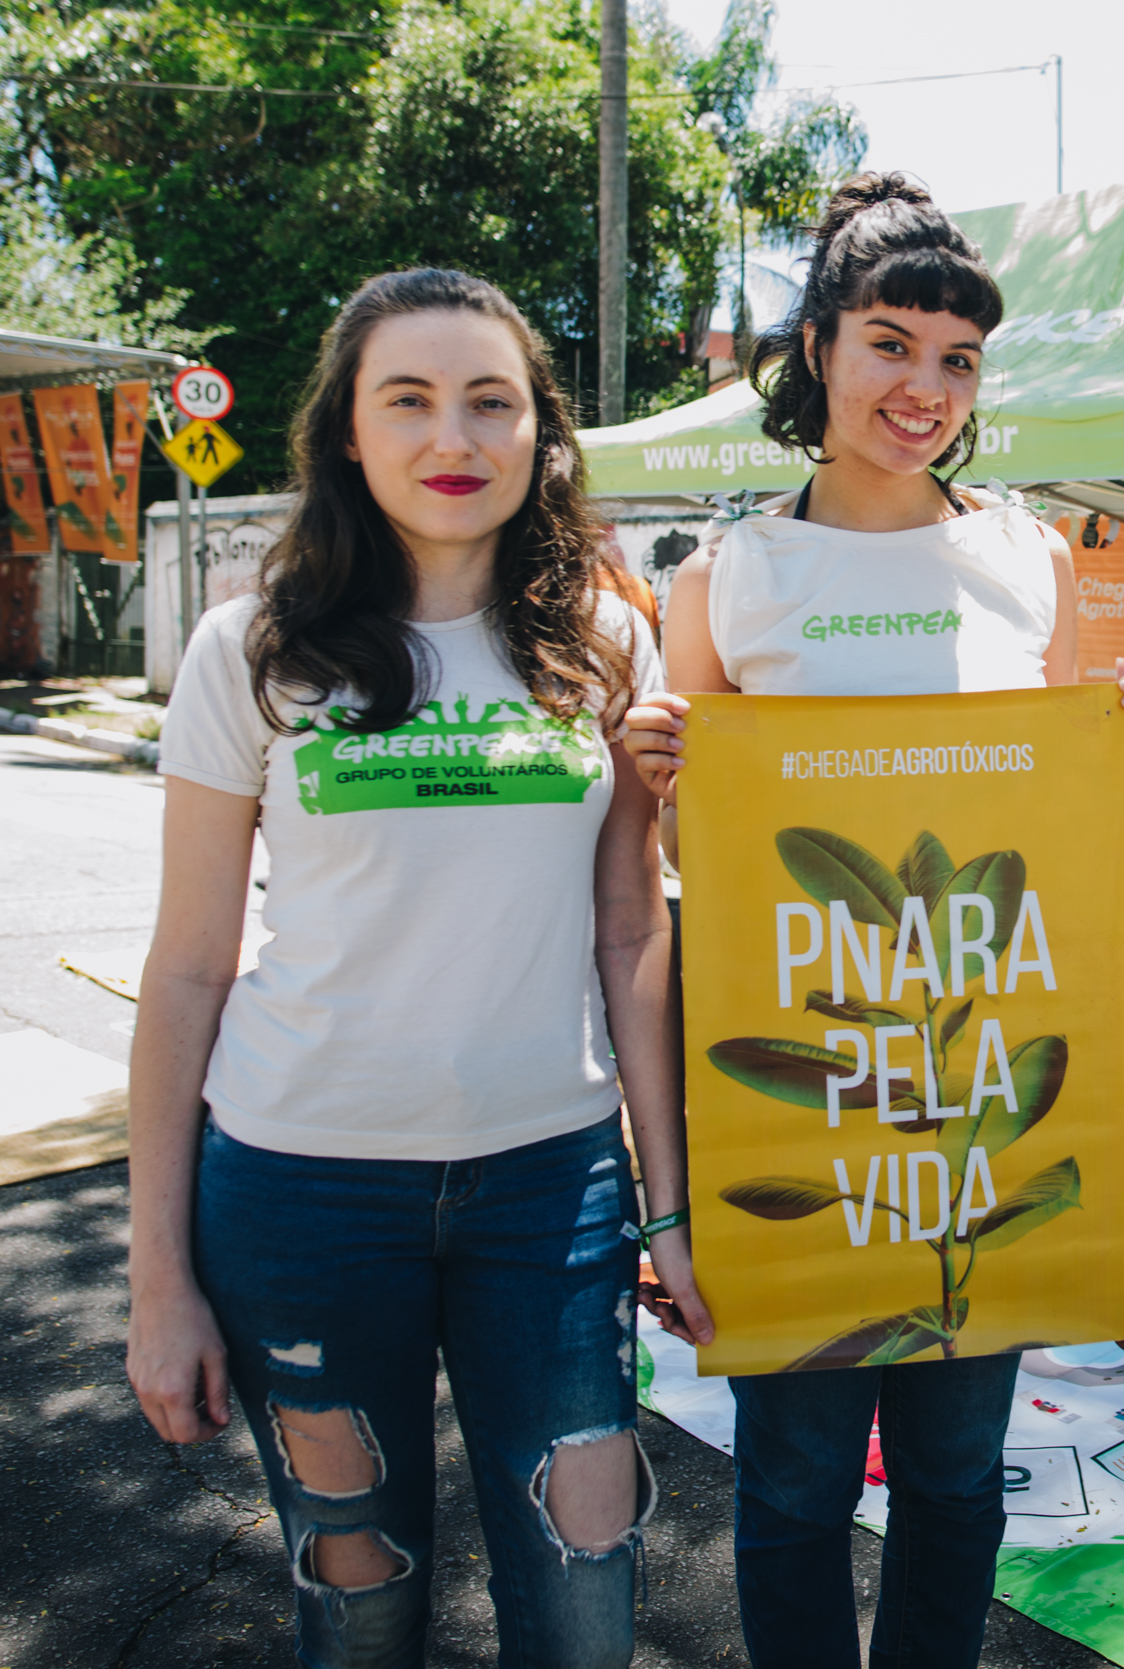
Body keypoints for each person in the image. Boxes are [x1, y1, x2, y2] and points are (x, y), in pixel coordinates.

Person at [619, 173, 1124, 1669]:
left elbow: (1084, 841)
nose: (923, 389)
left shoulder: (1029, 559)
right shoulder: (726, 574)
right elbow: (699, 880)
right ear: (817, 348)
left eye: (958, 359)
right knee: (795, 1485)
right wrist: (662, 772)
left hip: (987, 1106)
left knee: (949, 1480)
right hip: (802, 1104)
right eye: (889, 344)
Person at [123, 267, 711, 1669]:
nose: (455, 435)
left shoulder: (605, 644)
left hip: (550, 1194)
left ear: (539, 436)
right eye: (411, 400)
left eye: (491, 401)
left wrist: (668, 1204)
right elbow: (191, 968)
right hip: (298, 1195)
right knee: (360, 1605)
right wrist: (159, 1282)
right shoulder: (251, 649)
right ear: (347, 434)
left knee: (584, 1607)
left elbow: (632, 931)